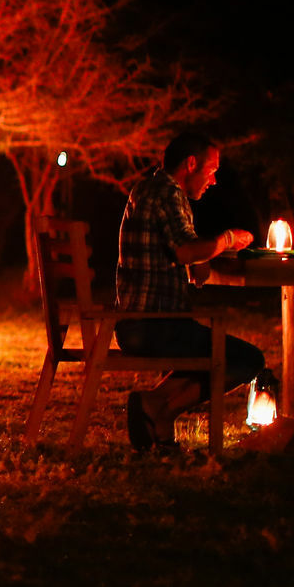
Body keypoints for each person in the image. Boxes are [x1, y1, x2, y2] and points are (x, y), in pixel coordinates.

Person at [115, 132, 264, 450]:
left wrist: (199, 258)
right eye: (211, 170)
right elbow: (185, 250)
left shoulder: (149, 188)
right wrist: (227, 239)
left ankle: (159, 416)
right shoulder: (168, 193)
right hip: (153, 324)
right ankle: (154, 405)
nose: (213, 180)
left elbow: (183, 250)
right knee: (246, 359)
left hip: (138, 322)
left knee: (205, 347)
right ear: (191, 164)